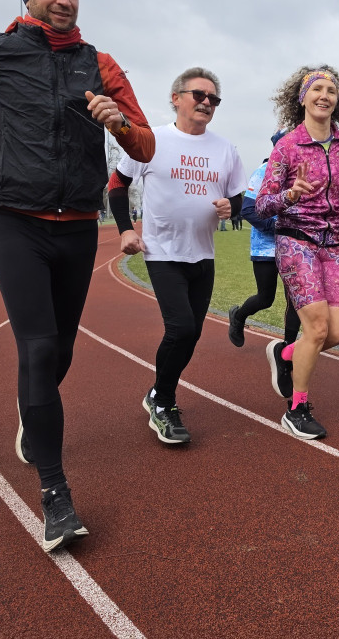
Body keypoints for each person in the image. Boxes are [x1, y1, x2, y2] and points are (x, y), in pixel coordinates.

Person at [0, 0, 155, 552]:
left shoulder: (99, 64)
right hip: (15, 221)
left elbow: (146, 142)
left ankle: (32, 406)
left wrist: (119, 125)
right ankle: (56, 495)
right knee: (35, 347)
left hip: (79, 225)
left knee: (60, 349)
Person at [108, 67, 245, 445]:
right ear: (176, 98)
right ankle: (163, 402)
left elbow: (238, 195)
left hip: (203, 252)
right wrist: (125, 230)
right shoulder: (151, 140)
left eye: (213, 99)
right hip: (162, 251)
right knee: (181, 328)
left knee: (193, 333)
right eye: (199, 95)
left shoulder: (225, 149)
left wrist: (230, 206)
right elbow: (118, 184)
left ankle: (156, 393)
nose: (206, 103)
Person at [255, 65, 339, 439]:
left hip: (335, 243)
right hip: (296, 240)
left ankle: (286, 353)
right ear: (302, 97)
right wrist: (290, 195)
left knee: (335, 333)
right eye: (317, 88)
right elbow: (261, 206)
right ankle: (297, 408)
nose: (325, 95)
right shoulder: (287, 146)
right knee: (317, 327)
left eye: (332, 90)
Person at [228, 130, 302, 382]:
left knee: (295, 300)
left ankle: (287, 353)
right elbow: (248, 210)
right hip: (265, 249)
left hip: (293, 247)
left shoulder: (298, 174)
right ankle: (238, 315)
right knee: (266, 298)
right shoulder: (262, 173)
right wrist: (276, 227)